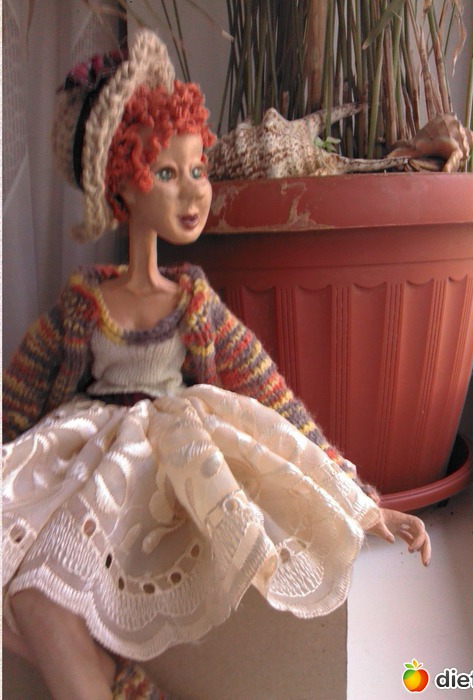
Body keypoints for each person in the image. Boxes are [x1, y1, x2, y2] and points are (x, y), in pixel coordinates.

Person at [2, 29, 430, 700]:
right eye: (166, 174)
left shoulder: (196, 305)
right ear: (121, 189)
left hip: (166, 458)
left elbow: (277, 401)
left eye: (198, 170)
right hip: (84, 457)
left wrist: (365, 504)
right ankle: (119, 683)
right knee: (31, 584)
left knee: (46, 584)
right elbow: (18, 402)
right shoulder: (82, 307)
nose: (193, 192)